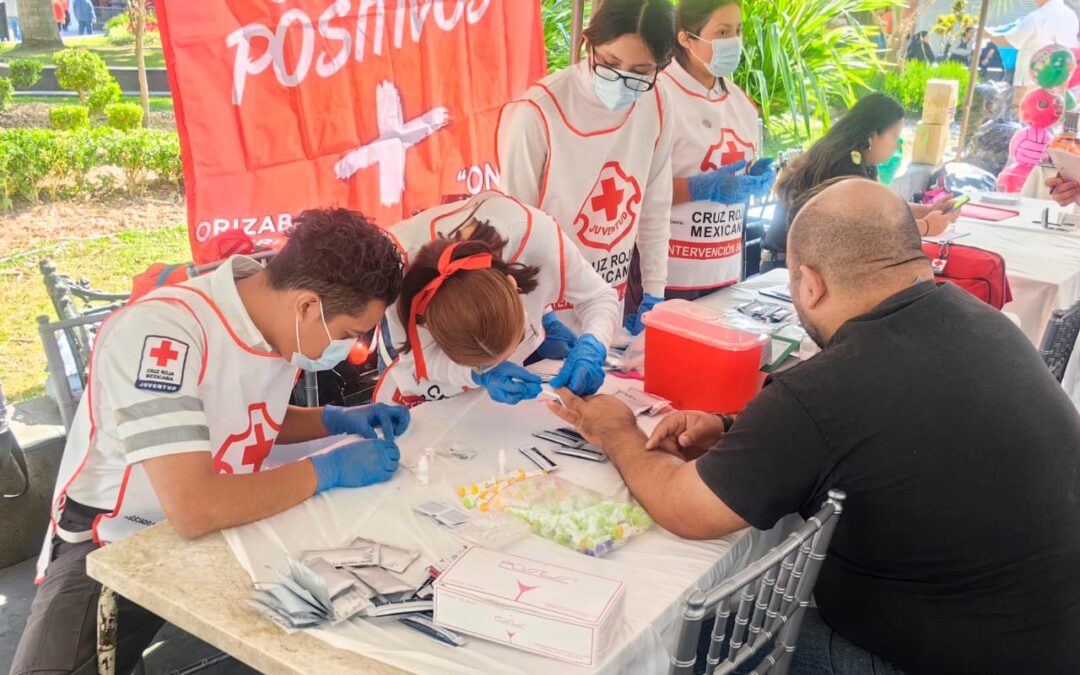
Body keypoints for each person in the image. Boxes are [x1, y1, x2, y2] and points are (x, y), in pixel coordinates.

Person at [548, 177, 1080, 675]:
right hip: (1051, 638)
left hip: (932, 660)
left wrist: (618, 430)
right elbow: (873, 429)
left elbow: (682, 507)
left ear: (807, 284)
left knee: (696, 641)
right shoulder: (983, 320)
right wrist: (734, 427)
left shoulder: (831, 388)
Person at [11, 209, 412, 675]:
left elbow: (249, 414)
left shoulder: (274, 322)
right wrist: (329, 469)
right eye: (348, 334)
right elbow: (195, 507)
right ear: (306, 305)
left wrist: (337, 419)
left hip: (221, 523)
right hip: (112, 542)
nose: (351, 349)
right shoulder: (162, 335)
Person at [497, 0, 676, 336]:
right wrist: (542, 313)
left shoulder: (656, 102)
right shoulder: (535, 113)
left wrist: (655, 290)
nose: (623, 81)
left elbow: (654, 204)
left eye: (640, 72)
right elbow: (516, 231)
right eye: (609, 62)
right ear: (587, 43)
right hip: (543, 308)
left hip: (609, 300)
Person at [374, 192, 621, 407]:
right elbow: (421, 362)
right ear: (427, 323)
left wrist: (594, 343)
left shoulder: (539, 237)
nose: (497, 363)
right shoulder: (398, 275)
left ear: (514, 286)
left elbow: (600, 297)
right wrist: (479, 375)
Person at [657, 0, 775, 300]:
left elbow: (734, 169)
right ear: (686, 38)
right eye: (722, 32)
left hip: (725, 269)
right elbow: (636, 193)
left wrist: (754, 176)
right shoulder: (657, 96)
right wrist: (700, 188)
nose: (733, 42)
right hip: (668, 273)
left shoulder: (742, 104)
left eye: (737, 31)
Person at [761, 93, 958, 271]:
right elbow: (870, 228)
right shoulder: (845, 165)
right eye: (894, 135)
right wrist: (925, 226)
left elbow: (882, 206)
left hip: (802, 263)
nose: (897, 144)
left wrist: (929, 209)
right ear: (872, 135)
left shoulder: (854, 158)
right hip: (786, 268)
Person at [988, 0, 1080, 106]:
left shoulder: (1038, 16)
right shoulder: (1071, 16)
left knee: (1023, 116)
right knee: (1051, 118)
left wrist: (987, 34)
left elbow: (1008, 41)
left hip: (1030, 82)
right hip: (1057, 82)